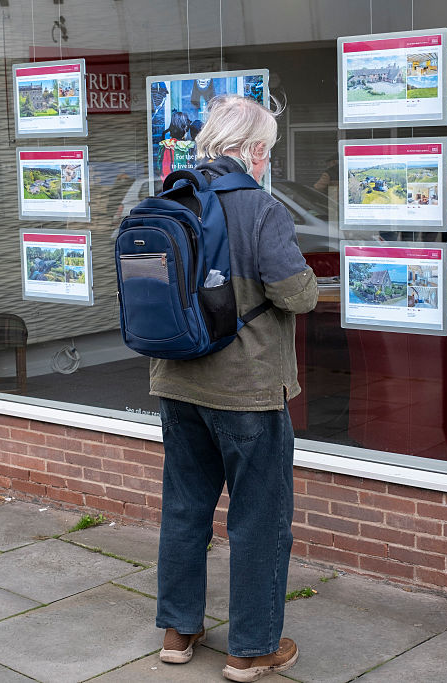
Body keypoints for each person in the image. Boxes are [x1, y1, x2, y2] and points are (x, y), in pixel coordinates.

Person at [151, 94, 318, 682]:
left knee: (186, 506)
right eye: (267, 151)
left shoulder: (171, 195)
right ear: (250, 150)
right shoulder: (260, 209)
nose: (267, 162)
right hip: (246, 390)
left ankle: (178, 631)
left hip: (176, 381)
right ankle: (251, 649)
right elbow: (296, 294)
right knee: (260, 518)